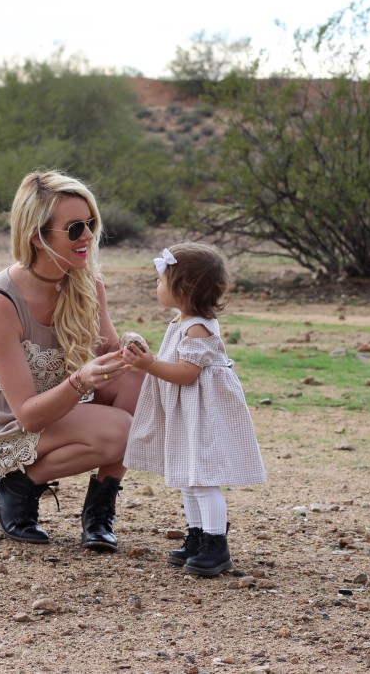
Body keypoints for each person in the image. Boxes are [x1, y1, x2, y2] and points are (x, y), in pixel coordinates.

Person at [0, 169, 143, 552]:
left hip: (60, 408)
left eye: (91, 224)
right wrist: (82, 380)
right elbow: (27, 414)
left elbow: (110, 357)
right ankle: (14, 488)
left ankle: (98, 516)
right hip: (11, 425)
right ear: (37, 235)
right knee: (122, 431)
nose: (89, 237)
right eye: (75, 229)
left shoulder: (87, 284)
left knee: (138, 382)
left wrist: (129, 350)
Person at [122, 242, 266, 576]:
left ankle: (216, 545)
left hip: (203, 412)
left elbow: (187, 374)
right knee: (188, 478)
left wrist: (149, 365)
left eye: (161, 281)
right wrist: (146, 357)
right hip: (188, 412)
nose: (156, 287)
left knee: (202, 478)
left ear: (182, 289)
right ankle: (197, 536)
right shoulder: (182, 321)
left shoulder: (198, 328)